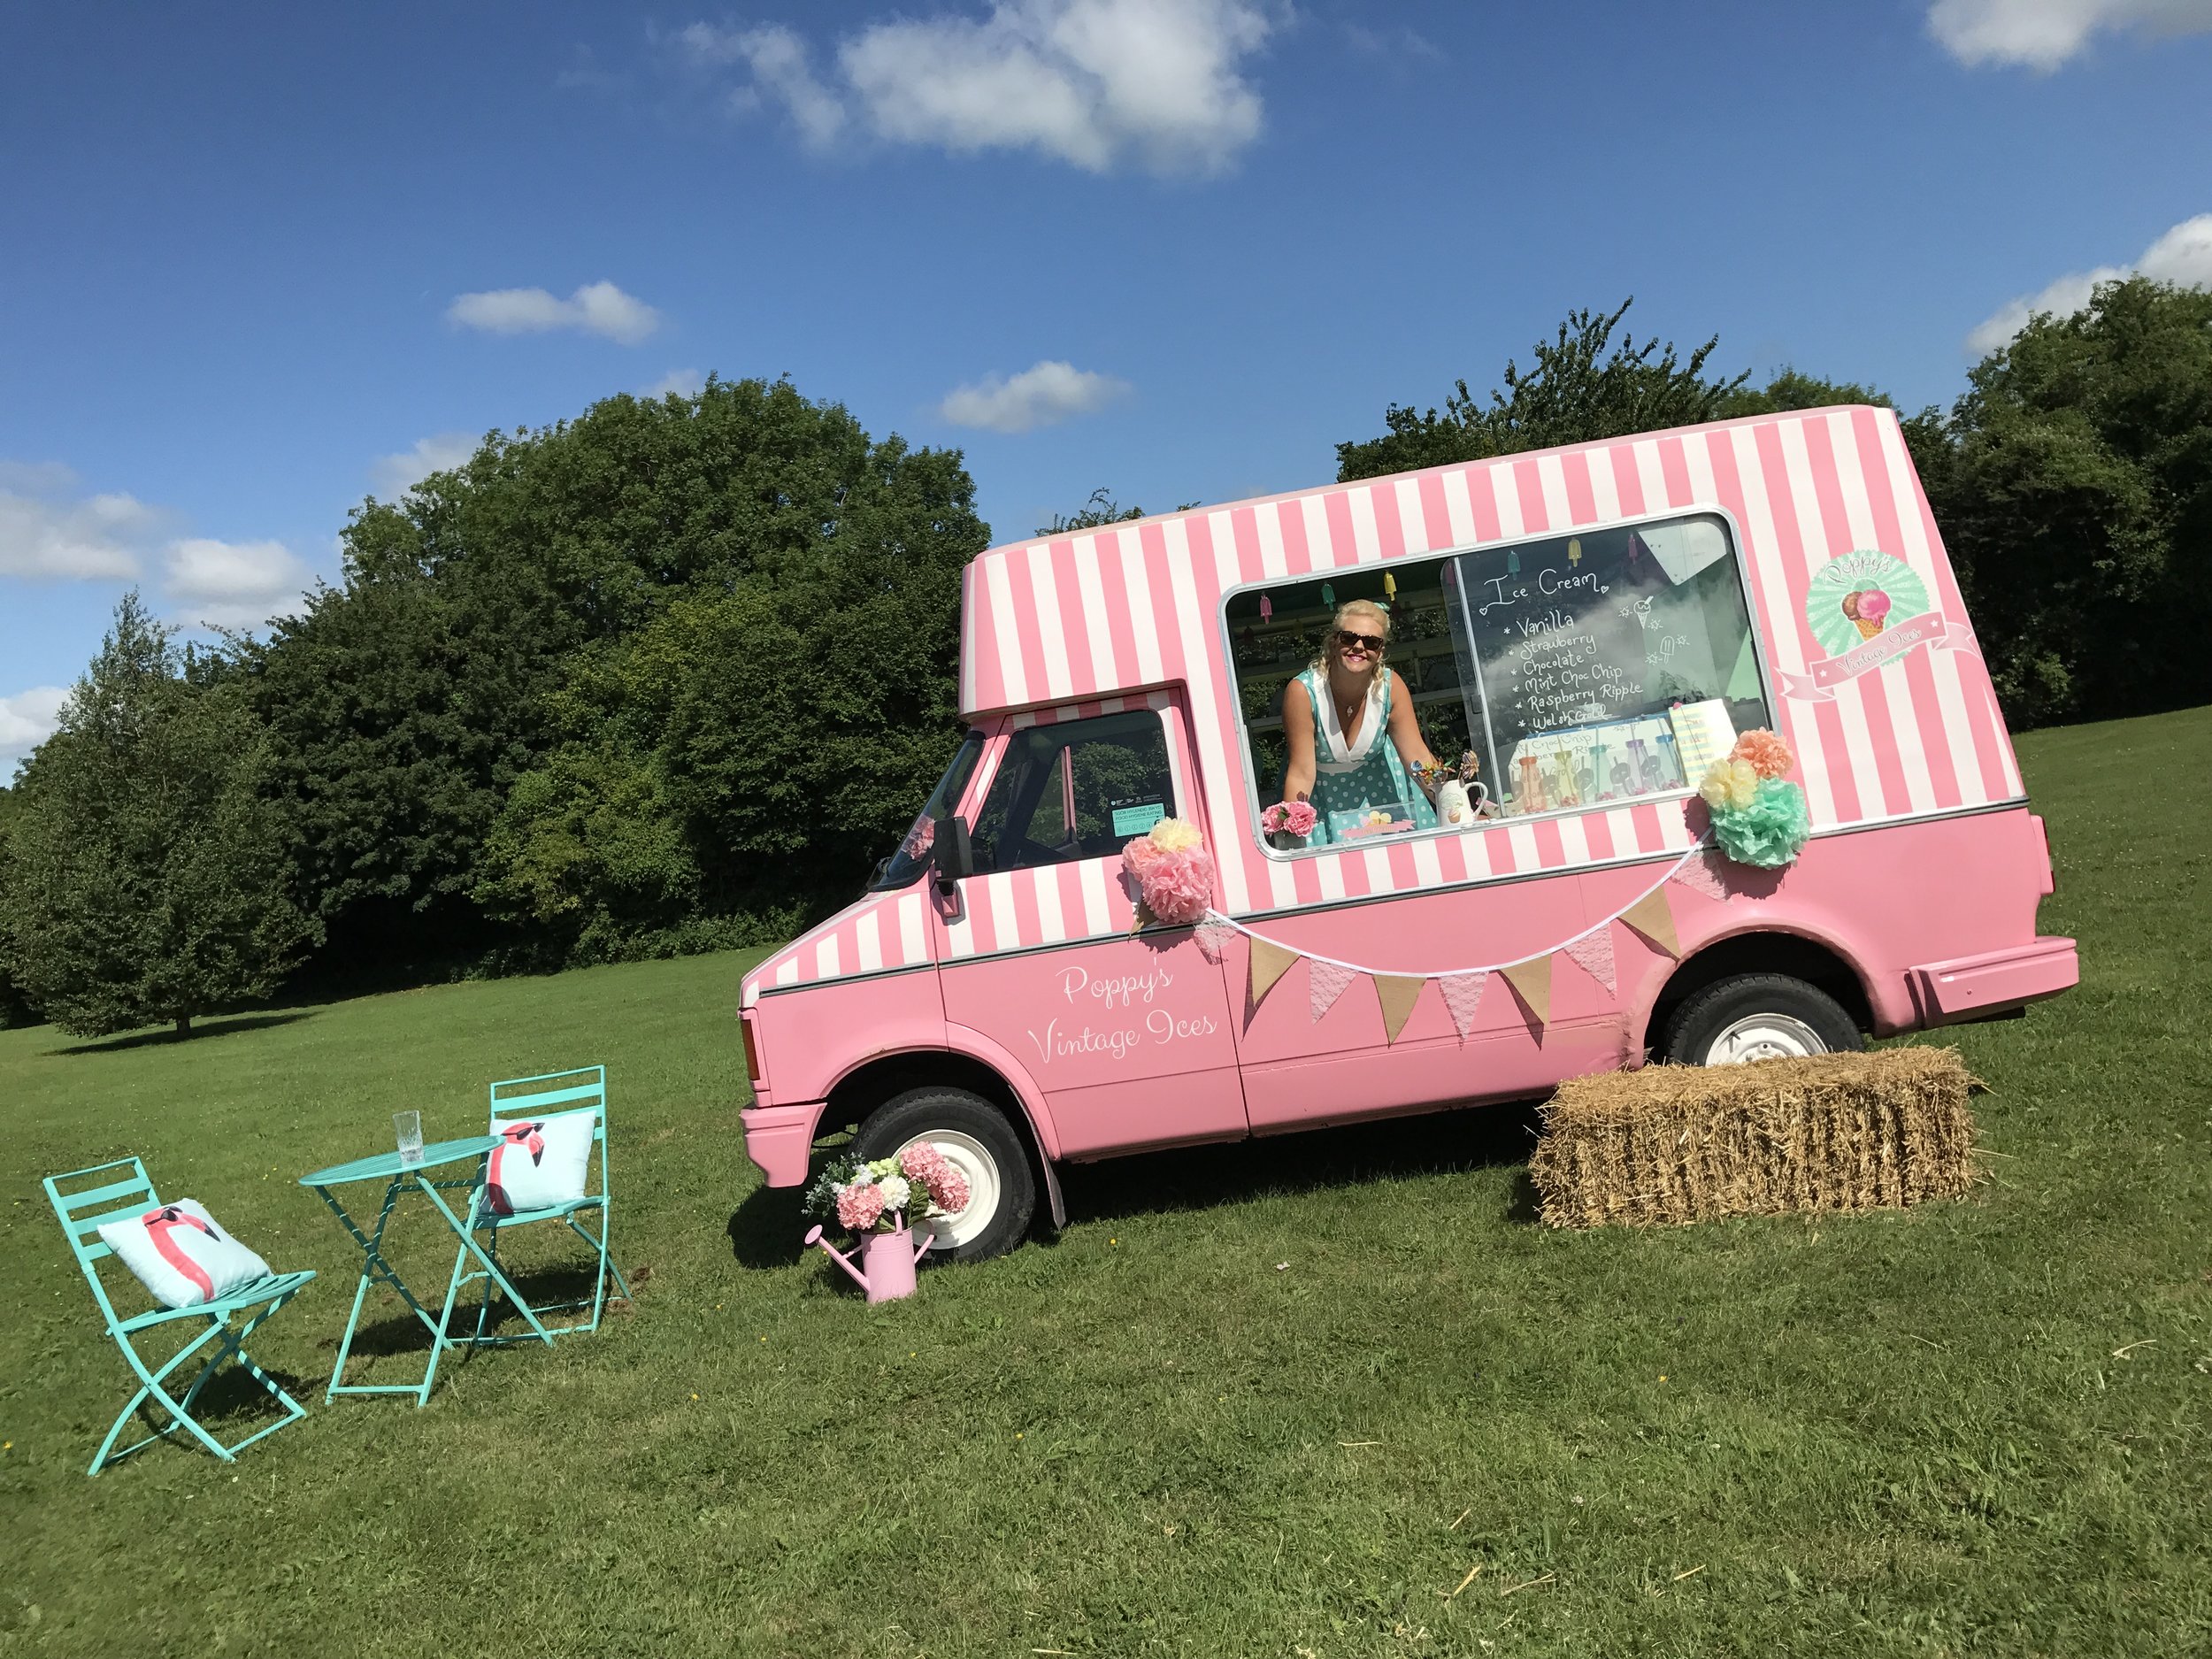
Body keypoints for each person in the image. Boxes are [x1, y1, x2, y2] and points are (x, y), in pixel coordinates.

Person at [1279, 599, 1441, 845]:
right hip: (1323, 804)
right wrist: (1289, 834)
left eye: (1371, 642)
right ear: (1334, 642)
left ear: (1381, 652)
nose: (1358, 647)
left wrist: (1456, 802)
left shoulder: (1391, 687)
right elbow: (1301, 773)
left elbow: (1418, 757)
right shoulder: (1303, 692)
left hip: (1385, 795)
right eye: (1348, 638)